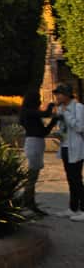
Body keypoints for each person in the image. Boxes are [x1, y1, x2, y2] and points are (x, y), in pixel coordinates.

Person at [18, 90, 55, 215]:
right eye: (38, 99)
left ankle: (28, 202)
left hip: (37, 144)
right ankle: (27, 203)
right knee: (32, 176)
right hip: (33, 145)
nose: (39, 101)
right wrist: (52, 104)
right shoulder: (28, 112)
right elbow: (46, 113)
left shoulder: (31, 114)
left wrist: (53, 122)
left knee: (33, 176)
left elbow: (43, 132)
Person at [51, 83, 84, 220]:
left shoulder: (78, 108)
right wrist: (59, 132)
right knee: (70, 179)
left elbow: (79, 127)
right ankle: (73, 208)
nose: (57, 96)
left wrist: (66, 114)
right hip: (65, 147)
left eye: (59, 94)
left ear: (66, 95)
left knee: (76, 180)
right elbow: (64, 128)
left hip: (76, 148)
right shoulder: (60, 109)